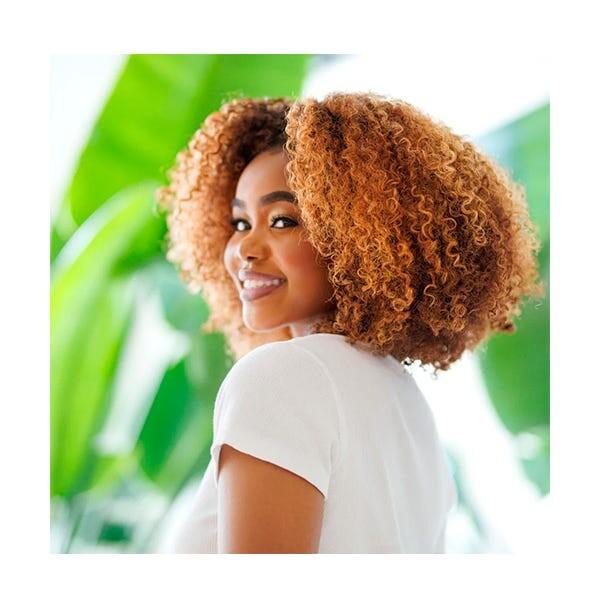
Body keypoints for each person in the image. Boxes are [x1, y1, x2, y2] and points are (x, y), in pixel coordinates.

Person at [155, 92, 544, 553]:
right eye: (240, 223)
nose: (244, 249)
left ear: (360, 236)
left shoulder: (280, 377)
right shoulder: (408, 409)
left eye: (282, 221)